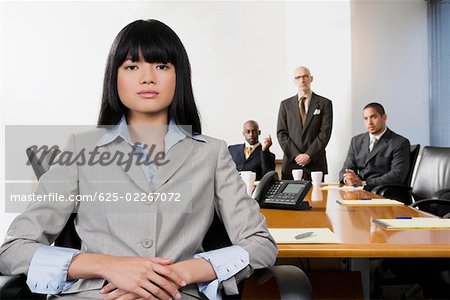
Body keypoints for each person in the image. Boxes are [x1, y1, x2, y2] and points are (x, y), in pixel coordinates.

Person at [0, 20, 277, 300]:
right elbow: (13, 250)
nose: (148, 78)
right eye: (132, 67)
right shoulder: (79, 149)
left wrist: (185, 271)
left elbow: (260, 244)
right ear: (115, 77)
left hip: (176, 294)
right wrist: (108, 265)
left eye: (161, 66)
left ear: (179, 76)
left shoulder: (211, 153)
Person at [277, 66, 333, 180]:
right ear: (294, 81)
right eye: (298, 77)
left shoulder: (324, 103)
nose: (302, 80)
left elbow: (325, 133)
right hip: (291, 164)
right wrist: (296, 155)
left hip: (315, 163)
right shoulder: (285, 105)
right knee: (290, 197)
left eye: (305, 76)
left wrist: (309, 155)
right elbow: (281, 133)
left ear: (311, 78)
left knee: (316, 197)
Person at [339, 102, 410, 189]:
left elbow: (397, 175)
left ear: (384, 117)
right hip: (358, 190)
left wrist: (364, 183)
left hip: (382, 191)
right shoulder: (356, 141)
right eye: (365, 118)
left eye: (373, 117)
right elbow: (346, 168)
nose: (369, 122)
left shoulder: (399, 142)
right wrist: (348, 179)